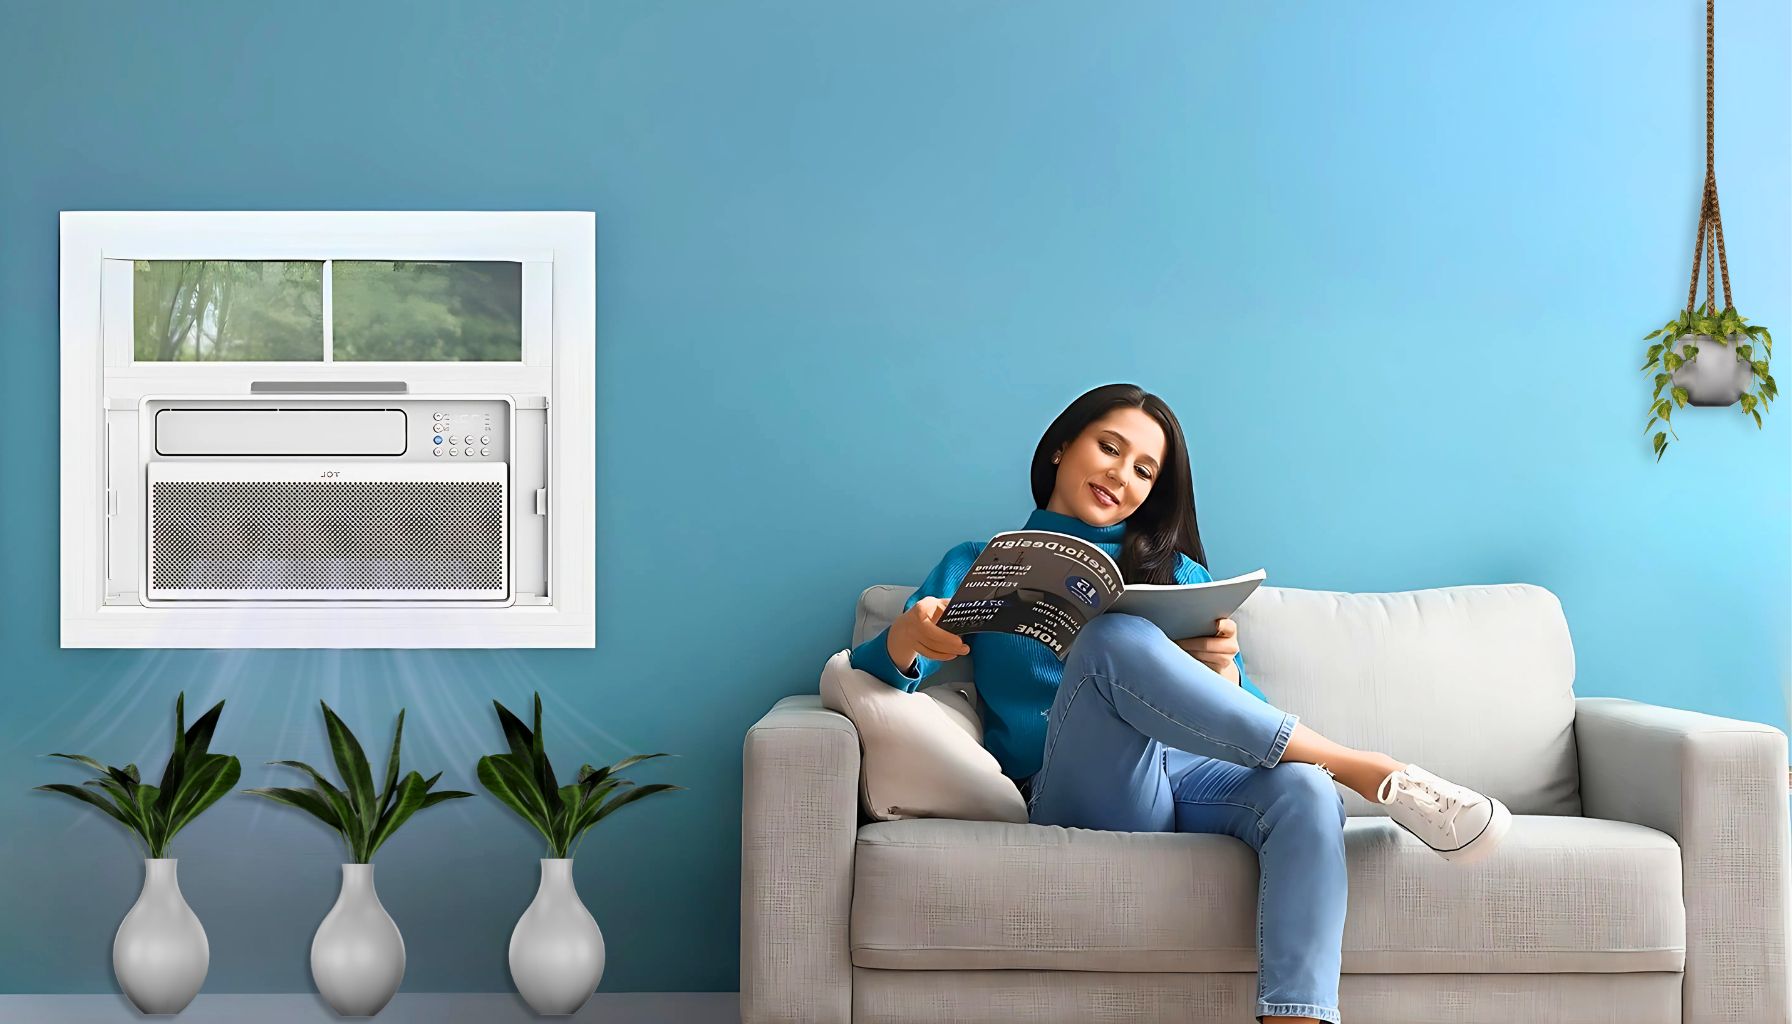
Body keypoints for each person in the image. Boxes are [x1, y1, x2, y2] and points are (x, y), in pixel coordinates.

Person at [849, 382, 1510, 1024]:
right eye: (1109, 448)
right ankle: (1360, 764)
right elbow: (877, 674)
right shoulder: (981, 561)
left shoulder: (1181, 575)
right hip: (1078, 783)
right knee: (1112, 636)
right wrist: (911, 635)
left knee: (1306, 790)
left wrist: (1221, 668)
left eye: (1144, 470)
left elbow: (1244, 714)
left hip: (1189, 778)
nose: (1122, 477)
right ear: (1060, 448)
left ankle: (1298, 1018)